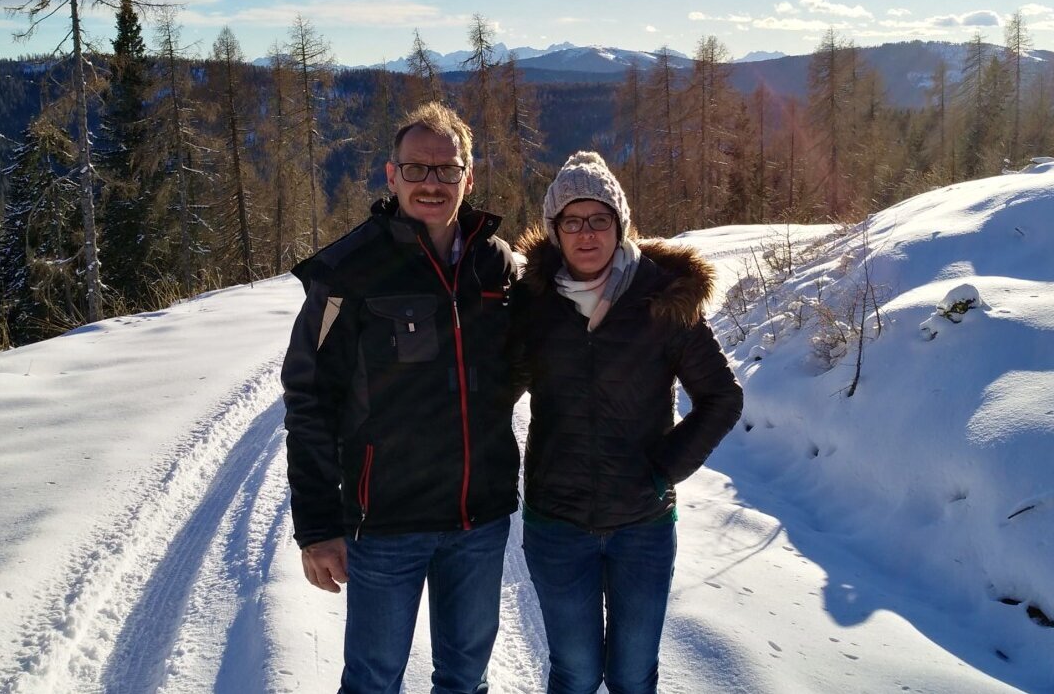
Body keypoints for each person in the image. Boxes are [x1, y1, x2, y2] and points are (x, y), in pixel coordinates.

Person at [281, 102, 520, 694]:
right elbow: (309, 399)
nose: (431, 183)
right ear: (392, 175)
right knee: (373, 681)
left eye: (447, 169)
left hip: (478, 519)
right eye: (416, 169)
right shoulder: (349, 272)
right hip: (387, 524)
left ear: (468, 177)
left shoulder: (497, 265)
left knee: (466, 679)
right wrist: (317, 527)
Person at [512, 152, 744, 694]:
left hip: (642, 528)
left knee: (632, 676)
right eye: (572, 220)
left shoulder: (662, 300)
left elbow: (721, 396)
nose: (586, 233)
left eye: (600, 219)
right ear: (554, 230)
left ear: (620, 225)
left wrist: (664, 469)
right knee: (574, 674)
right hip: (557, 525)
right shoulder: (532, 304)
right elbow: (493, 391)